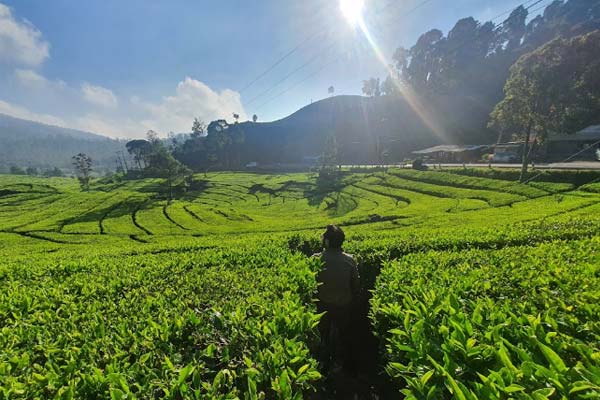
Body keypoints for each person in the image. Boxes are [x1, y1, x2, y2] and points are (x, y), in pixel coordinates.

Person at [313, 224, 360, 372]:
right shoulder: (350, 260)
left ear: (326, 242)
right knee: (343, 334)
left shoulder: (316, 259)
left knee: (323, 335)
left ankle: (323, 363)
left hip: (323, 305)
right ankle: (342, 364)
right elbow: (356, 285)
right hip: (343, 305)